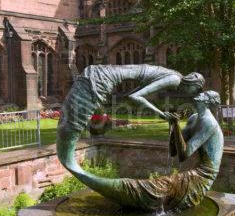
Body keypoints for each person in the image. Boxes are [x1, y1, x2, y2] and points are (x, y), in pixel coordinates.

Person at [70, 90, 224, 211]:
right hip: (196, 171)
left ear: (209, 102)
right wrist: (172, 124)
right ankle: (126, 192)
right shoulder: (194, 118)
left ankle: (127, 190)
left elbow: (184, 155)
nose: (200, 94)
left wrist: (176, 125)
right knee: (158, 187)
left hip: (205, 175)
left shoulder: (209, 123)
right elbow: (173, 151)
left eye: (205, 94)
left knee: (154, 188)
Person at [57, 64, 204, 173]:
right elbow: (136, 96)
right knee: (71, 128)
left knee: (71, 128)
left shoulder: (173, 75)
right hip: (99, 80)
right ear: (193, 83)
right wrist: (161, 114)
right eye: (196, 90)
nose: (192, 94)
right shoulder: (175, 79)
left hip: (98, 75)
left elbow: (131, 95)